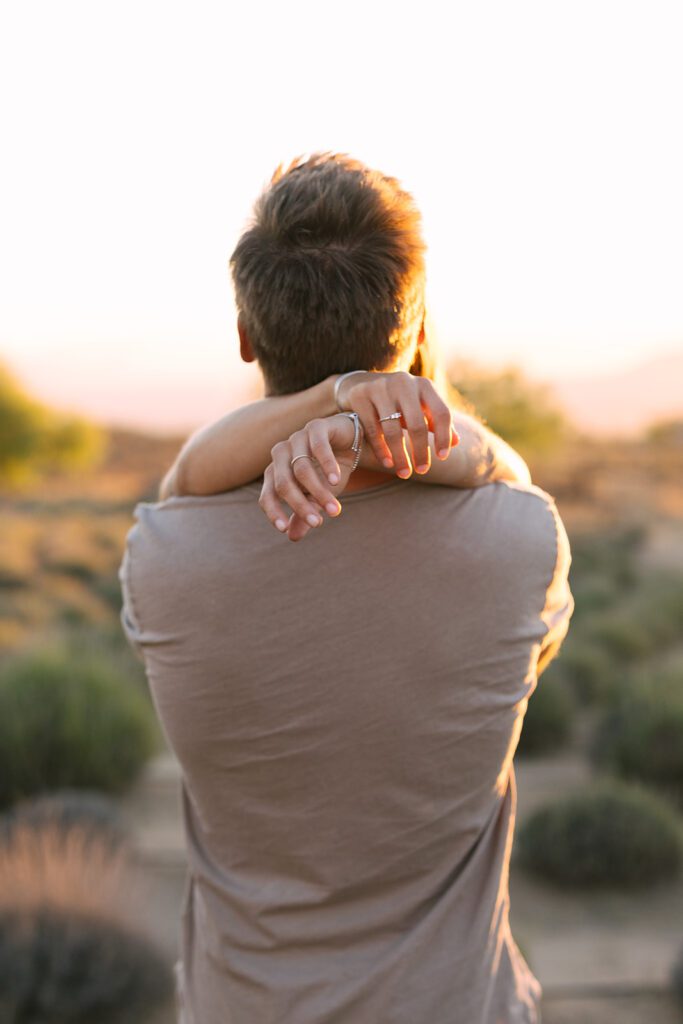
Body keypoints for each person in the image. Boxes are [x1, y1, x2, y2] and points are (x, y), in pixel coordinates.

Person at [119, 153, 574, 1024]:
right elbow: (512, 480)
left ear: (248, 337)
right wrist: (375, 414)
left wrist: (328, 407)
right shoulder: (518, 541)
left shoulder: (165, 553)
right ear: (409, 337)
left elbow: (183, 483)